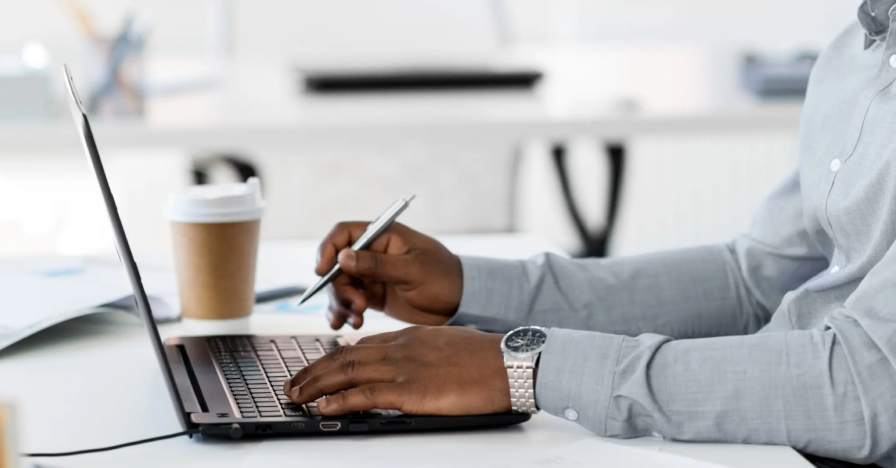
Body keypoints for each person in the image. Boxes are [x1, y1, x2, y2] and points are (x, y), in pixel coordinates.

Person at [285, 3, 896, 466]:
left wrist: (522, 366)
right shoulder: (861, 49)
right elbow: (753, 280)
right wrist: (471, 289)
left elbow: (865, 384)